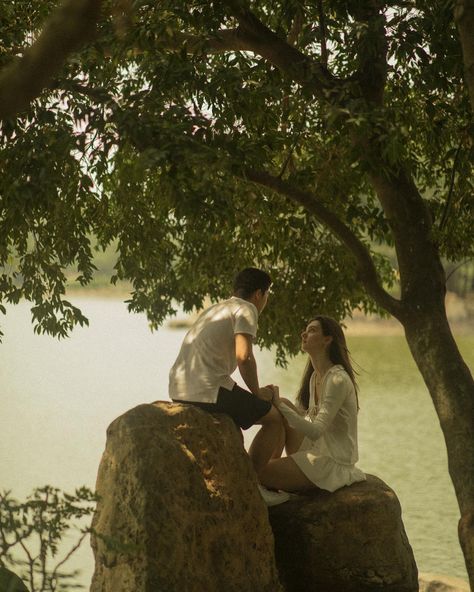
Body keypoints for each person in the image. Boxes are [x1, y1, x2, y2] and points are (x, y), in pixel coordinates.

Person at [169, 268, 287, 503]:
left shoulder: (215, 309)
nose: (266, 300)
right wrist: (257, 393)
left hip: (179, 388)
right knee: (274, 419)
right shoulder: (247, 309)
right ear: (258, 294)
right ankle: (253, 486)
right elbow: (244, 356)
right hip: (207, 389)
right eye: (267, 295)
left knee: (249, 408)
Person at [252, 316, 366, 494]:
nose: (304, 334)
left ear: (327, 340)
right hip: (316, 450)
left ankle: (269, 478)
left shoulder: (337, 380)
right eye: (306, 330)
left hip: (332, 463)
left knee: (256, 470)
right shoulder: (315, 377)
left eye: (312, 330)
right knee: (283, 404)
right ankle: (271, 479)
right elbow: (298, 412)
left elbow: (316, 431)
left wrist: (279, 405)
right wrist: (274, 400)